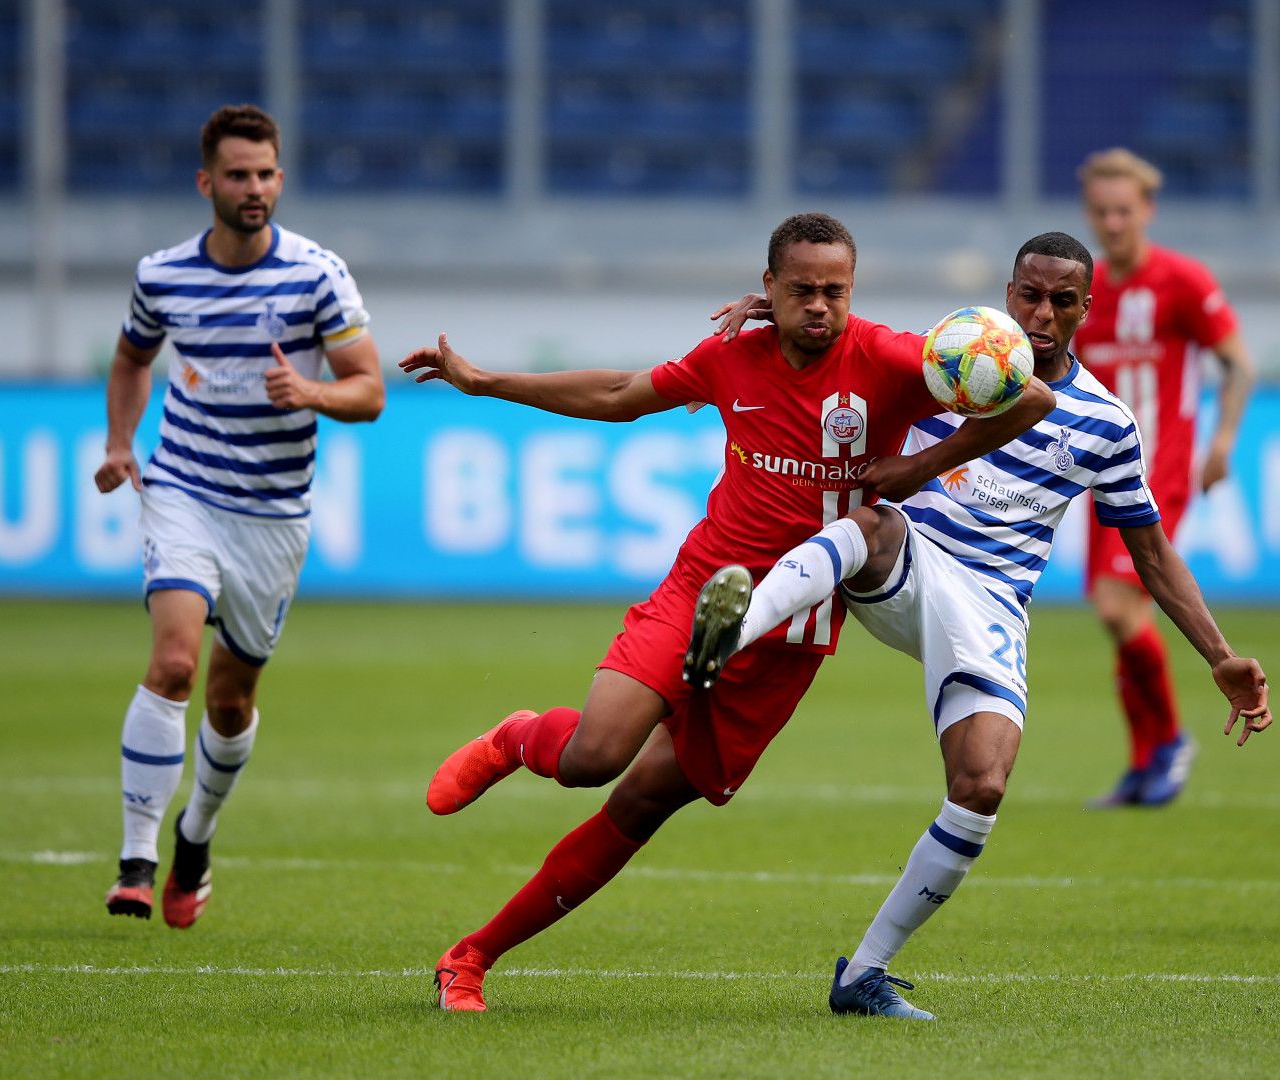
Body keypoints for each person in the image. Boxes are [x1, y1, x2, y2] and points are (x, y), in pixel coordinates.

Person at [400, 212, 1055, 1012]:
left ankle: (470, 957)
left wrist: (924, 461)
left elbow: (1030, 396)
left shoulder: (888, 358)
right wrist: (486, 381)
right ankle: (518, 738)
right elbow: (618, 393)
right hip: (703, 593)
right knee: (594, 758)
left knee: (643, 803)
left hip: (793, 635)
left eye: (836, 291)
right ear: (768, 288)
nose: (821, 306)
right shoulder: (731, 357)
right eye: (804, 290)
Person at [691, 232, 1272, 1019]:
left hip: (994, 605)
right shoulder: (952, 358)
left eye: (1062, 301)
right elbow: (852, 347)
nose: (1041, 314)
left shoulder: (1105, 424)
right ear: (1007, 293)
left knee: (983, 783)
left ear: (1085, 310)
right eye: (1029, 295)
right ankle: (733, 628)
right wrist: (786, 315)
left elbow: (1154, 555)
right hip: (911, 557)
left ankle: (863, 974)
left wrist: (1221, 657)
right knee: (874, 524)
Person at [93, 104, 384, 927]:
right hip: (183, 489)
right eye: (237, 175)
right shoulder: (163, 276)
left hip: (272, 514)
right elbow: (131, 355)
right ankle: (136, 861)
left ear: (279, 179)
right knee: (175, 665)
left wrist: (313, 392)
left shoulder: (317, 275)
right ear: (206, 183)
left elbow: (369, 391)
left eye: (265, 175)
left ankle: (197, 834)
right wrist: (121, 442)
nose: (253, 189)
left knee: (228, 701)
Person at [1071, 149, 1257, 808]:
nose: (1112, 223)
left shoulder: (1182, 281)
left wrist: (1224, 441)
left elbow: (1239, 364)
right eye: (1101, 211)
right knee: (1116, 617)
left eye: (1123, 210)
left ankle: (1171, 741)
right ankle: (1145, 757)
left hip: (1160, 472)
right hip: (1099, 477)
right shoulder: (1084, 293)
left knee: (1121, 608)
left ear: (1146, 210)